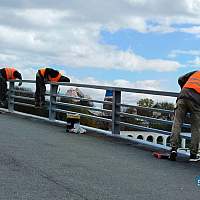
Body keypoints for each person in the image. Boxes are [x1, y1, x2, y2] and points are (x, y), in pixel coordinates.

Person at [170, 70, 200, 162]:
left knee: (177, 123)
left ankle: (173, 150)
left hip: (183, 96)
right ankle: (193, 155)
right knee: (196, 127)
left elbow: (180, 79)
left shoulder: (196, 72)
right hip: (196, 101)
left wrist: (184, 89)